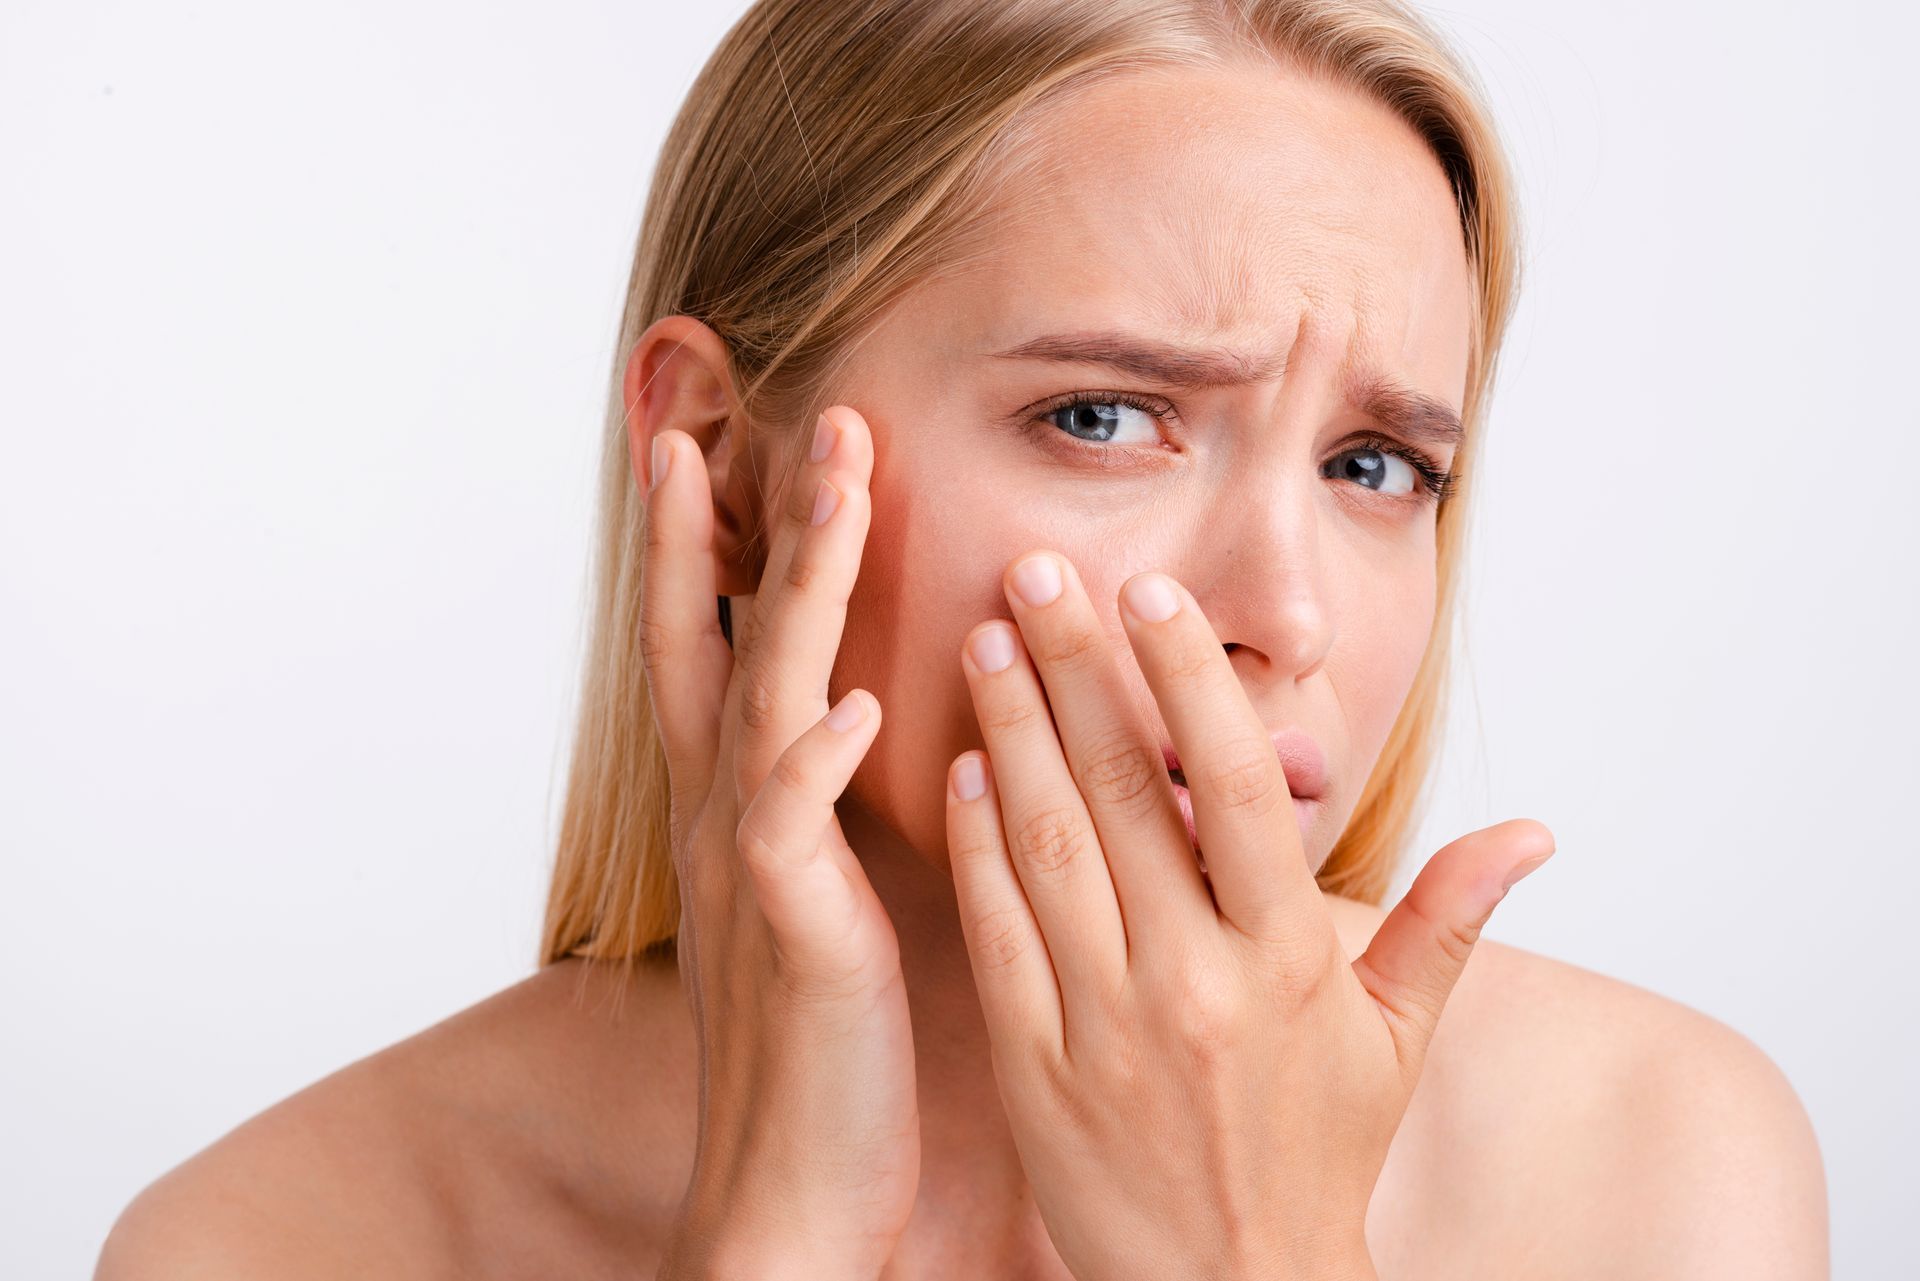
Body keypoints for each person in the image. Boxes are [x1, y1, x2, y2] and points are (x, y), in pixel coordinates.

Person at [95, 1, 1830, 1276]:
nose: (1287, 615)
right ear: (726, 467)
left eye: (1376, 466)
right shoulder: (275, 1241)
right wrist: (764, 1246)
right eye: (1104, 417)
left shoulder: (1656, 1163)